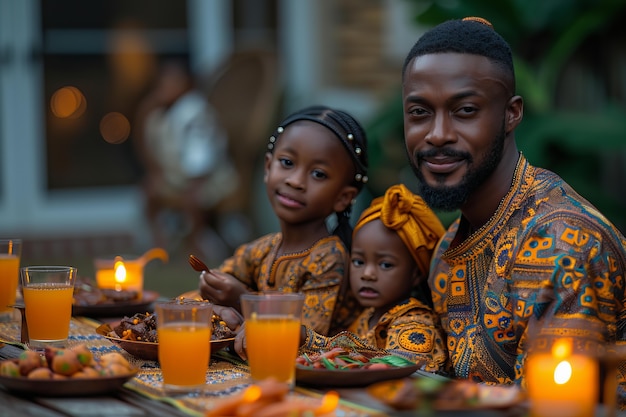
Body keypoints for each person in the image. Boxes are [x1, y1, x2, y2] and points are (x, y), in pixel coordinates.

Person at [402, 16, 626, 403]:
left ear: (511, 114)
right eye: (420, 112)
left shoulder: (561, 241)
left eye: (465, 110)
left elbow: (556, 407)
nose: (437, 134)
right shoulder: (447, 251)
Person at [198, 105, 369, 336]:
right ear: (268, 167)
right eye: (287, 163)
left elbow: (306, 333)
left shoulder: (328, 258)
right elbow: (212, 286)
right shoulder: (262, 250)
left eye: (318, 174)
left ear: (343, 197)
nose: (295, 181)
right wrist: (214, 298)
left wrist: (241, 301)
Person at [294, 183, 448, 373]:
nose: (367, 274)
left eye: (385, 265)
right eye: (359, 262)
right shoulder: (366, 316)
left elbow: (399, 368)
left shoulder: (416, 322)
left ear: (415, 274)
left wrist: (310, 340)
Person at [134, 59, 238, 254]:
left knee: (192, 200)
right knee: (149, 191)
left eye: (173, 82)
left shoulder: (194, 111)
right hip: (177, 177)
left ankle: (195, 245)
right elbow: (147, 147)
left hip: (209, 179)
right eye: (162, 82)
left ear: (188, 85)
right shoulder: (159, 114)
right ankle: (159, 243)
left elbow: (201, 154)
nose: (165, 87)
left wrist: (194, 184)